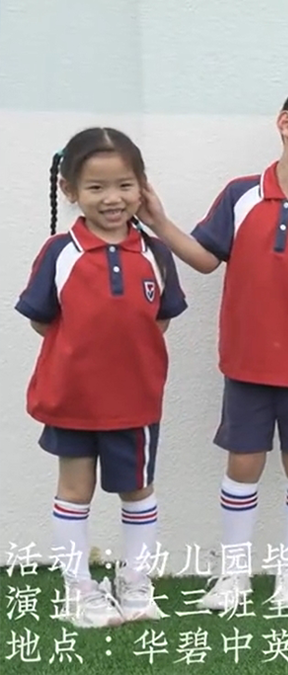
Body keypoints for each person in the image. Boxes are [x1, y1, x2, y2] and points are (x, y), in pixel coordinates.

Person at [139, 82, 288, 611]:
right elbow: (205, 259)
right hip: (246, 365)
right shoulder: (240, 195)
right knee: (242, 466)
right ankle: (234, 577)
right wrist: (159, 223)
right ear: (286, 123)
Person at [16, 127, 188, 627]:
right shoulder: (60, 252)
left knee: (137, 492)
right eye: (96, 187)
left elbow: (160, 318)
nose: (112, 198)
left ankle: (135, 583)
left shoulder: (156, 253)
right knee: (75, 493)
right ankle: (79, 589)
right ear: (70, 190)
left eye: (124, 185)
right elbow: (42, 320)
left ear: (142, 186)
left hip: (135, 403)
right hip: (71, 399)